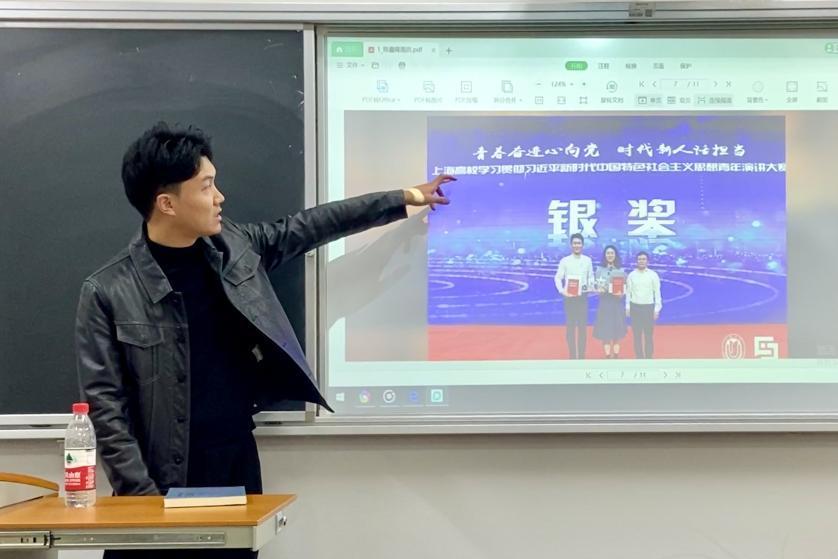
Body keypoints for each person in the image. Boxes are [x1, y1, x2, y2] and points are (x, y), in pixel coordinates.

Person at [75, 122, 454, 559]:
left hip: (233, 469)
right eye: (206, 187)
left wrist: (404, 196)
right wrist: (143, 502)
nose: (220, 197)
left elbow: (311, 226)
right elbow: (106, 409)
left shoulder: (235, 249)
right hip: (157, 483)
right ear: (167, 203)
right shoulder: (107, 291)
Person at [553, 233, 594, 359]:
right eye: (575, 243)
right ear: (571, 245)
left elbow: (591, 277)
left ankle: (581, 357)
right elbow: (558, 278)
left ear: (582, 245)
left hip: (582, 298)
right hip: (569, 298)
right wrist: (562, 291)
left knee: (582, 328)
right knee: (570, 328)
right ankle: (572, 356)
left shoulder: (587, 260)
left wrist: (591, 286)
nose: (577, 245)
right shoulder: (565, 261)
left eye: (579, 243)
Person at [625, 251, 662, 359]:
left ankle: (649, 358)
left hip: (648, 308)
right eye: (639, 259)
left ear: (647, 261)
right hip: (635, 308)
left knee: (648, 335)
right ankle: (639, 358)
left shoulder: (653, 275)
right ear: (636, 261)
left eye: (644, 259)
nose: (641, 261)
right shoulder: (631, 275)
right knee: (636, 336)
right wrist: (627, 307)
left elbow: (657, 293)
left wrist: (657, 309)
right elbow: (628, 293)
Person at [593, 245, 627, 358]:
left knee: (617, 329)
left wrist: (621, 294)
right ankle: (607, 355)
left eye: (612, 253)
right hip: (605, 302)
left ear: (615, 255)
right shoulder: (599, 270)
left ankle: (616, 355)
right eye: (608, 253)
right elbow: (596, 286)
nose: (610, 255)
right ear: (605, 255)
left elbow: (625, 288)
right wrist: (599, 290)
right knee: (605, 329)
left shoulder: (621, 271)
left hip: (616, 302)